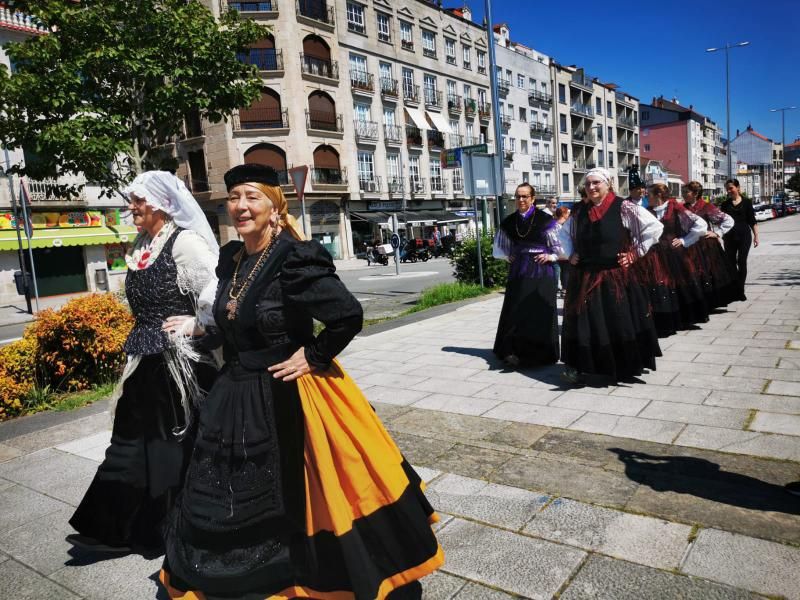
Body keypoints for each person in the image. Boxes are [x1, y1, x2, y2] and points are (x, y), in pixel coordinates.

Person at [159, 164, 442, 600]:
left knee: (312, 492)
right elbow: (231, 323)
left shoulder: (294, 255)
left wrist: (312, 356)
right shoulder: (232, 257)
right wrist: (198, 328)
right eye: (234, 197)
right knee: (228, 493)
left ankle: (323, 576)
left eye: (252, 196)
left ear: (275, 206)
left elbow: (347, 316)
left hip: (291, 391)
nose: (240, 206)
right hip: (234, 393)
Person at [67, 171, 219, 554]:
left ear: (162, 204)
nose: (130, 207)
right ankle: (114, 524)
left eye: (138, 200)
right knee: (130, 441)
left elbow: (217, 295)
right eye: (131, 200)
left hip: (178, 365)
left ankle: (166, 528)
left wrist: (197, 325)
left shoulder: (186, 244)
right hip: (145, 358)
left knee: (169, 446)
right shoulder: (141, 244)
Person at [558, 168, 663, 384]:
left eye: (596, 183)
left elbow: (654, 227)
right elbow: (562, 234)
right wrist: (570, 254)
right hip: (586, 275)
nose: (592, 187)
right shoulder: (579, 211)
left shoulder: (623, 207)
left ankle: (621, 365)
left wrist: (635, 253)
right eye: (588, 184)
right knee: (586, 323)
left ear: (608, 184)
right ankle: (582, 365)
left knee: (617, 320)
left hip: (615, 276)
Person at [492, 183, 562, 367]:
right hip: (519, 271)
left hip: (541, 271)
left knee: (538, 310)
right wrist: (509, 256)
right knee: (516, 310)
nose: (521, 200)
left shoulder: (545, 220)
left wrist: (551, 256)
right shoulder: (509, 221)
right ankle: (513, 351)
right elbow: (499, 248)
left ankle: (540, 353)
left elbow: (561, 246)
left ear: (532, 198)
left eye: (525, 196)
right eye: (518, 196)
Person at [645, 183, 709, 334]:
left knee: (680, 286)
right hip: (656, 255)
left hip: (675, 254)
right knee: (662, 287)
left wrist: (684, 240)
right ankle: (667, 321)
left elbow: (700, 224)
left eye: (649, 195)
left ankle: (685, 319)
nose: (647, 198)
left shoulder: (676, 207)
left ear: (658, 195)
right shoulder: (648, 211)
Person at [681, 181, 740, 309]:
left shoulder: (706, 206)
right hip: (689, 244)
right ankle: (698, 302)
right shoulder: (682, 208)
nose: (683, 194)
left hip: (705, 245)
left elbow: (728, 220)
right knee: (693, 273)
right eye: (683, 192)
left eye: (686, 192)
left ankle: (711, 302)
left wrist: (717, 233)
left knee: (708, 273)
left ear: (695, 193)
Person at [719, 178, 759, 301]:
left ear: (738, 188)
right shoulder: (725, 204)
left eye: (731, 188)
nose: (729, 191)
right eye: (727, 189)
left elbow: (752, 221)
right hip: (729, 237)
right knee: (730, 264)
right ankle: (735, 288)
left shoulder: (747, 202)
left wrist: (756, 236)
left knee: (742, 261)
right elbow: (721, 221)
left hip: (744, 236)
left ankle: (740, 290)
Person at [554, 206, 571, 295]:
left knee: (556, 271)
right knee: (566, 272)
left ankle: (554, 288)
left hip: (555, 252)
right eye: (568, 213)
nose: (569, 214)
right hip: (566, 252)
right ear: (564, 214)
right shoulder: (568, 225)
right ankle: (565, 289)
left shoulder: (552, 225)